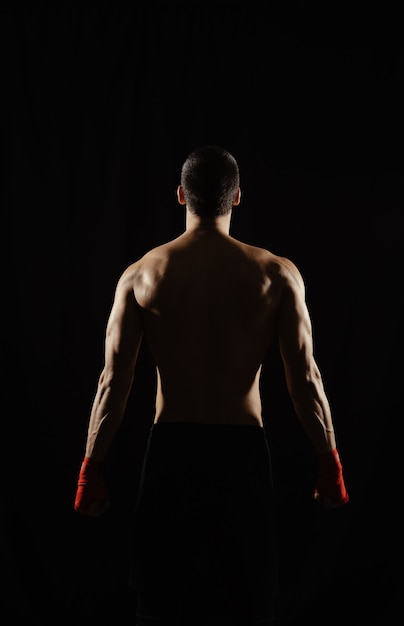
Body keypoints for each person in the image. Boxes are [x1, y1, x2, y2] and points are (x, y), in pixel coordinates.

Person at [74, 144, 349, 626]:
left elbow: (112, 382)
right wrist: (329, 462)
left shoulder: (141, 274)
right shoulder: (275, 274)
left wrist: (90, 468)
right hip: (241, 455)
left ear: (181, 195)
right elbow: (305, 378)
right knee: (247, 605)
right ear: (237, 197)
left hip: (171, 455)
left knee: (160, 606)